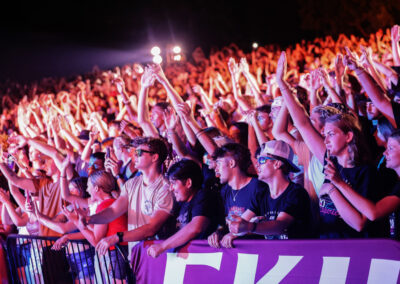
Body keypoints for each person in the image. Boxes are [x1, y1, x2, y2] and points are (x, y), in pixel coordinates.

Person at [80, 137, 173, 258]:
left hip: (158, 256)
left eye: (139, 153)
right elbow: (113, 211)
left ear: (154, 157)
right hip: (136, 254)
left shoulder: (165, 188)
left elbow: (151, 228)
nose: (135, 155)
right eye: (135, 152)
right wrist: (90, 219)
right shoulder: (131, 184)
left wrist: (117, 237)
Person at [228, 140, 313, 239]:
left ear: (277, 164)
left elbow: (280, 226)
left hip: (296, 253)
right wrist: (228, 232)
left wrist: (250, 226)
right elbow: (242, 222)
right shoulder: (262, 194)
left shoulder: (296, 193)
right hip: (274, 253)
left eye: (262, 160)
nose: (257, 165)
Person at [147, 159, 219, 257]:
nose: (171, 188)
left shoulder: (203, 196)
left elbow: (196, 227)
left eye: (174, 183)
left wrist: (162, 246)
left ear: (188, 183)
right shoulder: (180, 202)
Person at [207, 143, 268, 248]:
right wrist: (218, 233)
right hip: (237, 252)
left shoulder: (258, 187)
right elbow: (227, 224)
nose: (216, 169)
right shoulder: (225, 190)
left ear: (231, 163)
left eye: (219, 163)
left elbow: (266, 225)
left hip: (258, 250)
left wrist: (236, 233)